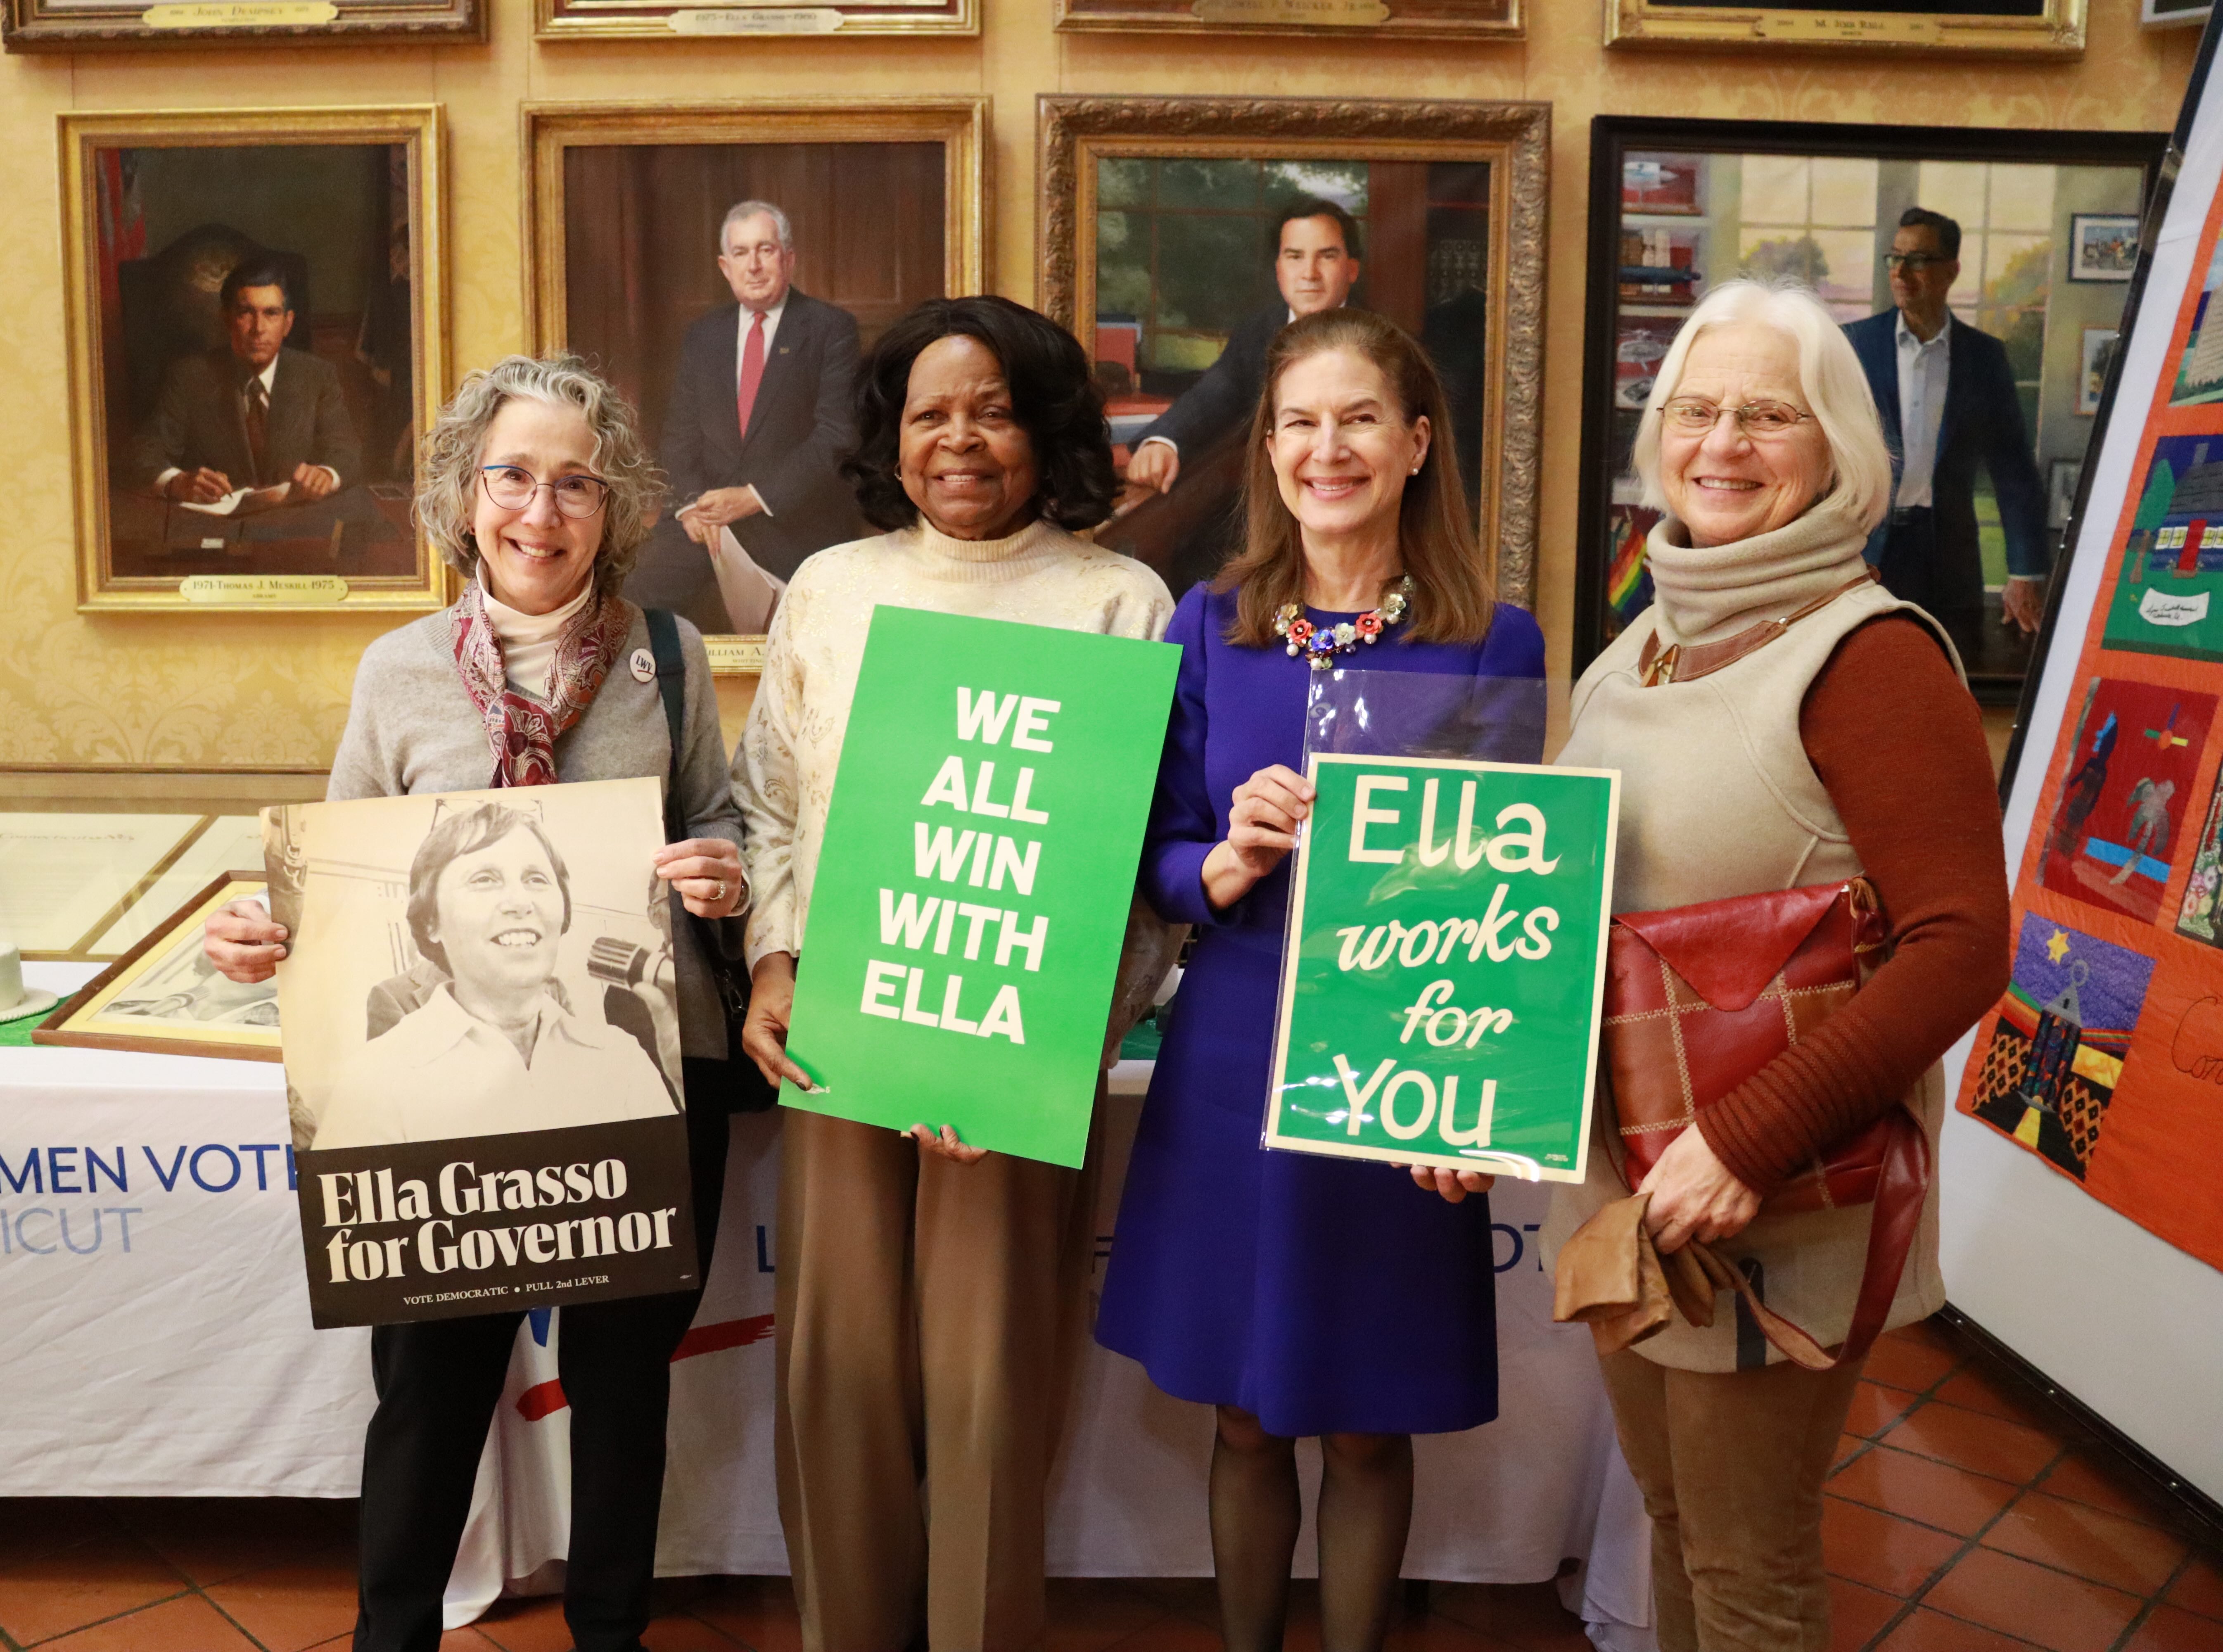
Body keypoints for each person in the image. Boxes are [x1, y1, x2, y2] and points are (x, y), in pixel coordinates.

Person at [201, 352, 747, 1652]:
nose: (541, 514)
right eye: (513, 476)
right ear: (463, 492)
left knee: (622, 1393)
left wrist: (719, 873)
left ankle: (610, 1633)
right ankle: (395, 1634)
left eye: (576, 484)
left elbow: (718, 816)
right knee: (429, 1393)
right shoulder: (397, 670)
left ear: (613, 507)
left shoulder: (667, 658)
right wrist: (269, 931)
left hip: (638, 1075)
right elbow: (344, 870)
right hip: (437, 1098)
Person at [1544, 279, 2011, 1652]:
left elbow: (1959, 948)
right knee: (1675, 1525)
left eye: (1767, 414)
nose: (1722, 443)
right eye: (1697, 409)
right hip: (1626, 1192)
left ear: (1839, 452)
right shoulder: (1640, 640)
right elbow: (1569, 900)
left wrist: (1743, 1139)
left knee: (1749, 1570)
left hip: (1772, 1202)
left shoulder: (1869, 656)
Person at [1096, 307, 1545, 1652]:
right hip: (1232, 1039)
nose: (1325, 448)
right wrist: (1223, 864)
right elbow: (1153, 856)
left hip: (1397, 1054)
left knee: (1362, 1415)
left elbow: (1511, 899)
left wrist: (1473, 1099)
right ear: (1267, 449)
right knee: (1239, 1405)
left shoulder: (1491, 639)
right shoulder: (1207, 624)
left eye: (1358, 420)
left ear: (1414, 444)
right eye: (1297, 421)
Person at [733, 294, 1175, 1652]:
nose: (960, 439)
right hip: (840, 1039)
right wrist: (771, 960)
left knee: (987, 1379)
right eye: (931, 412)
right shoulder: (832, 588)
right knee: (840, 1369)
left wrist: (1056, 1040)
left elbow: (1149, 864)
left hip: (1016, 1056)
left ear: (1047, 431)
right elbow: (770, 811)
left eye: (991, 410)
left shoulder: (1120, 601)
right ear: (893, 436)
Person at [311, 802, 677, 1149]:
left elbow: (670, 1195)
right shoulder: (373, 1079)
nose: (521, 902)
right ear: (431, 921)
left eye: (536, 879)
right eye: (485, 879)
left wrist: (680, 1079)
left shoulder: (620, 1056)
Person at [626, 199, 866, 632]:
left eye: (765, 250)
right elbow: (679, 436)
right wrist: (690, 509)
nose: (753, 265)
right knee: (630, 599)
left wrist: (753, 498)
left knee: (815, 631)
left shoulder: (831, 328)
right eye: (741, 253)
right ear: (725, 266)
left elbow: (837, 436)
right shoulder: (704, 335)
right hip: (704, 522)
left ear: (788, 259)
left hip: (792, 521)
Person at [1843, 206, 2051, 655]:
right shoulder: (1852, 346)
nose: (1899, 272)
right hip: (1864, 549)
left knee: (1952, 671)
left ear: (1950, 271)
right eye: (1893, 258)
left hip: (1949, 555)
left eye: (1916, 260)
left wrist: (2025, 572)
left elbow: (2013, 470)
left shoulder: (1984, 359)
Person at [1124, 197, 1365, 503]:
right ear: (1279, 269)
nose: (1309, 273)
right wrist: (1164, 441)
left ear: (1352, 270)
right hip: (1266, 500)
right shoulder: (1256, 333)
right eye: (1294, 257)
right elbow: (1212, 395)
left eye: (1326, 257)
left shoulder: (1385, 344)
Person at [130, 258, 361, 506]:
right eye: (246, 313)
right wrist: (177, 482)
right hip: (214, 529)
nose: (258, 328)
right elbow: (144, 455)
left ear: (288, 323)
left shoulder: (317, 377)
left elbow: (347, 451)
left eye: (271, 313)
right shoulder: (190, 377)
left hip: (294, 523)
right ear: (228, 320)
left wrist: (327, 474)